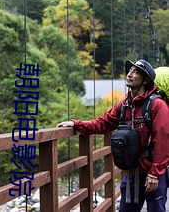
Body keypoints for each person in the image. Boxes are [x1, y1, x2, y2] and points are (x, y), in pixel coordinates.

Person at [56, 59, 169, 212]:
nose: (129, 74)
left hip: (152, 173)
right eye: (129, 71)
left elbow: (163, 140)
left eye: (135, 72)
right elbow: (103, 123)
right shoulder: (124, 105)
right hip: (132, 173)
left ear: (146, 80)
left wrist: (155, 174)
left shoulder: (157, 105)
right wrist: (76, 124)